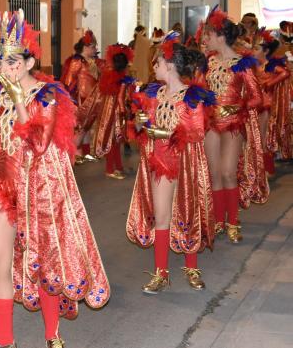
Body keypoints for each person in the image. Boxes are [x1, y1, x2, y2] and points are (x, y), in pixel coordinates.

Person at [0, 9, 110, 348]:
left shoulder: (48, 95)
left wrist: (19, 99)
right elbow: (3, 147)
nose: (5, 69)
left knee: (44, 263)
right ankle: (5, 340)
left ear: (27, 61)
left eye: (12, 62)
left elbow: (36, 143)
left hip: (41, 188)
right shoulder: (3, 99)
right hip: (5, 185)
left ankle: (52, 335)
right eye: (1, 62)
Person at [127, 32, 216, 293]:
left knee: (188, 213)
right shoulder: (154, 94)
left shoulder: (192, 97)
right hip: (160, 160)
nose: (153, 67)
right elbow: (144, 126)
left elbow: (198, 131)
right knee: (162, 215)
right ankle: (161, 273)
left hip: (186, 162)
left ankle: (191, 267)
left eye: (156, 63)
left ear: (170, 66)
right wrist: (141, 123)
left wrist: (165, 133)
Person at [201, 6, 264, 243]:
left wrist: (237, 107)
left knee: (228, 172)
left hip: (233, 123)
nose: (205, 39)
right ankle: (218, 221)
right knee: (215, 174)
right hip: (211, 123)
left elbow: (258, 98)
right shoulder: (208, 62)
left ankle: (233, 222)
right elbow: (200, 90)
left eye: (209, 34)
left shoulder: (242, 64)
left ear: (221, 37)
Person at [60, 29, 103, 164]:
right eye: (93, 46)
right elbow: (68, 82)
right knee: (80, 130)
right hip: (79, 101)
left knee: (86, 129)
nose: (95, 49)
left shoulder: (90, 61)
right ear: (86, 47)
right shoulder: (76, 61)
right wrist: (70, 102)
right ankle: (70, 156)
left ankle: (83, 153)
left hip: (90, 101)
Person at [93, 43, 135, 179]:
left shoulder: (109, 76)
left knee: (113, 140)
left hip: (107, 112)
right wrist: (125, 113)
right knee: (114, 141)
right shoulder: (122, 80)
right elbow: (121, 100)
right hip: (116, 114)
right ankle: (110, 169)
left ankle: (118, 166)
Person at [252, 29, 291, 168]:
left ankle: (263, 167)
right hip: (255, 103)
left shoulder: (270, 65)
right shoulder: (254, 65)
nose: (253, 51)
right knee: (255, 135)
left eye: (256, 48)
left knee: (262, 136)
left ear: (266, 51)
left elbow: (285, 72)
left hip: (266, 104)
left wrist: (269, 83)